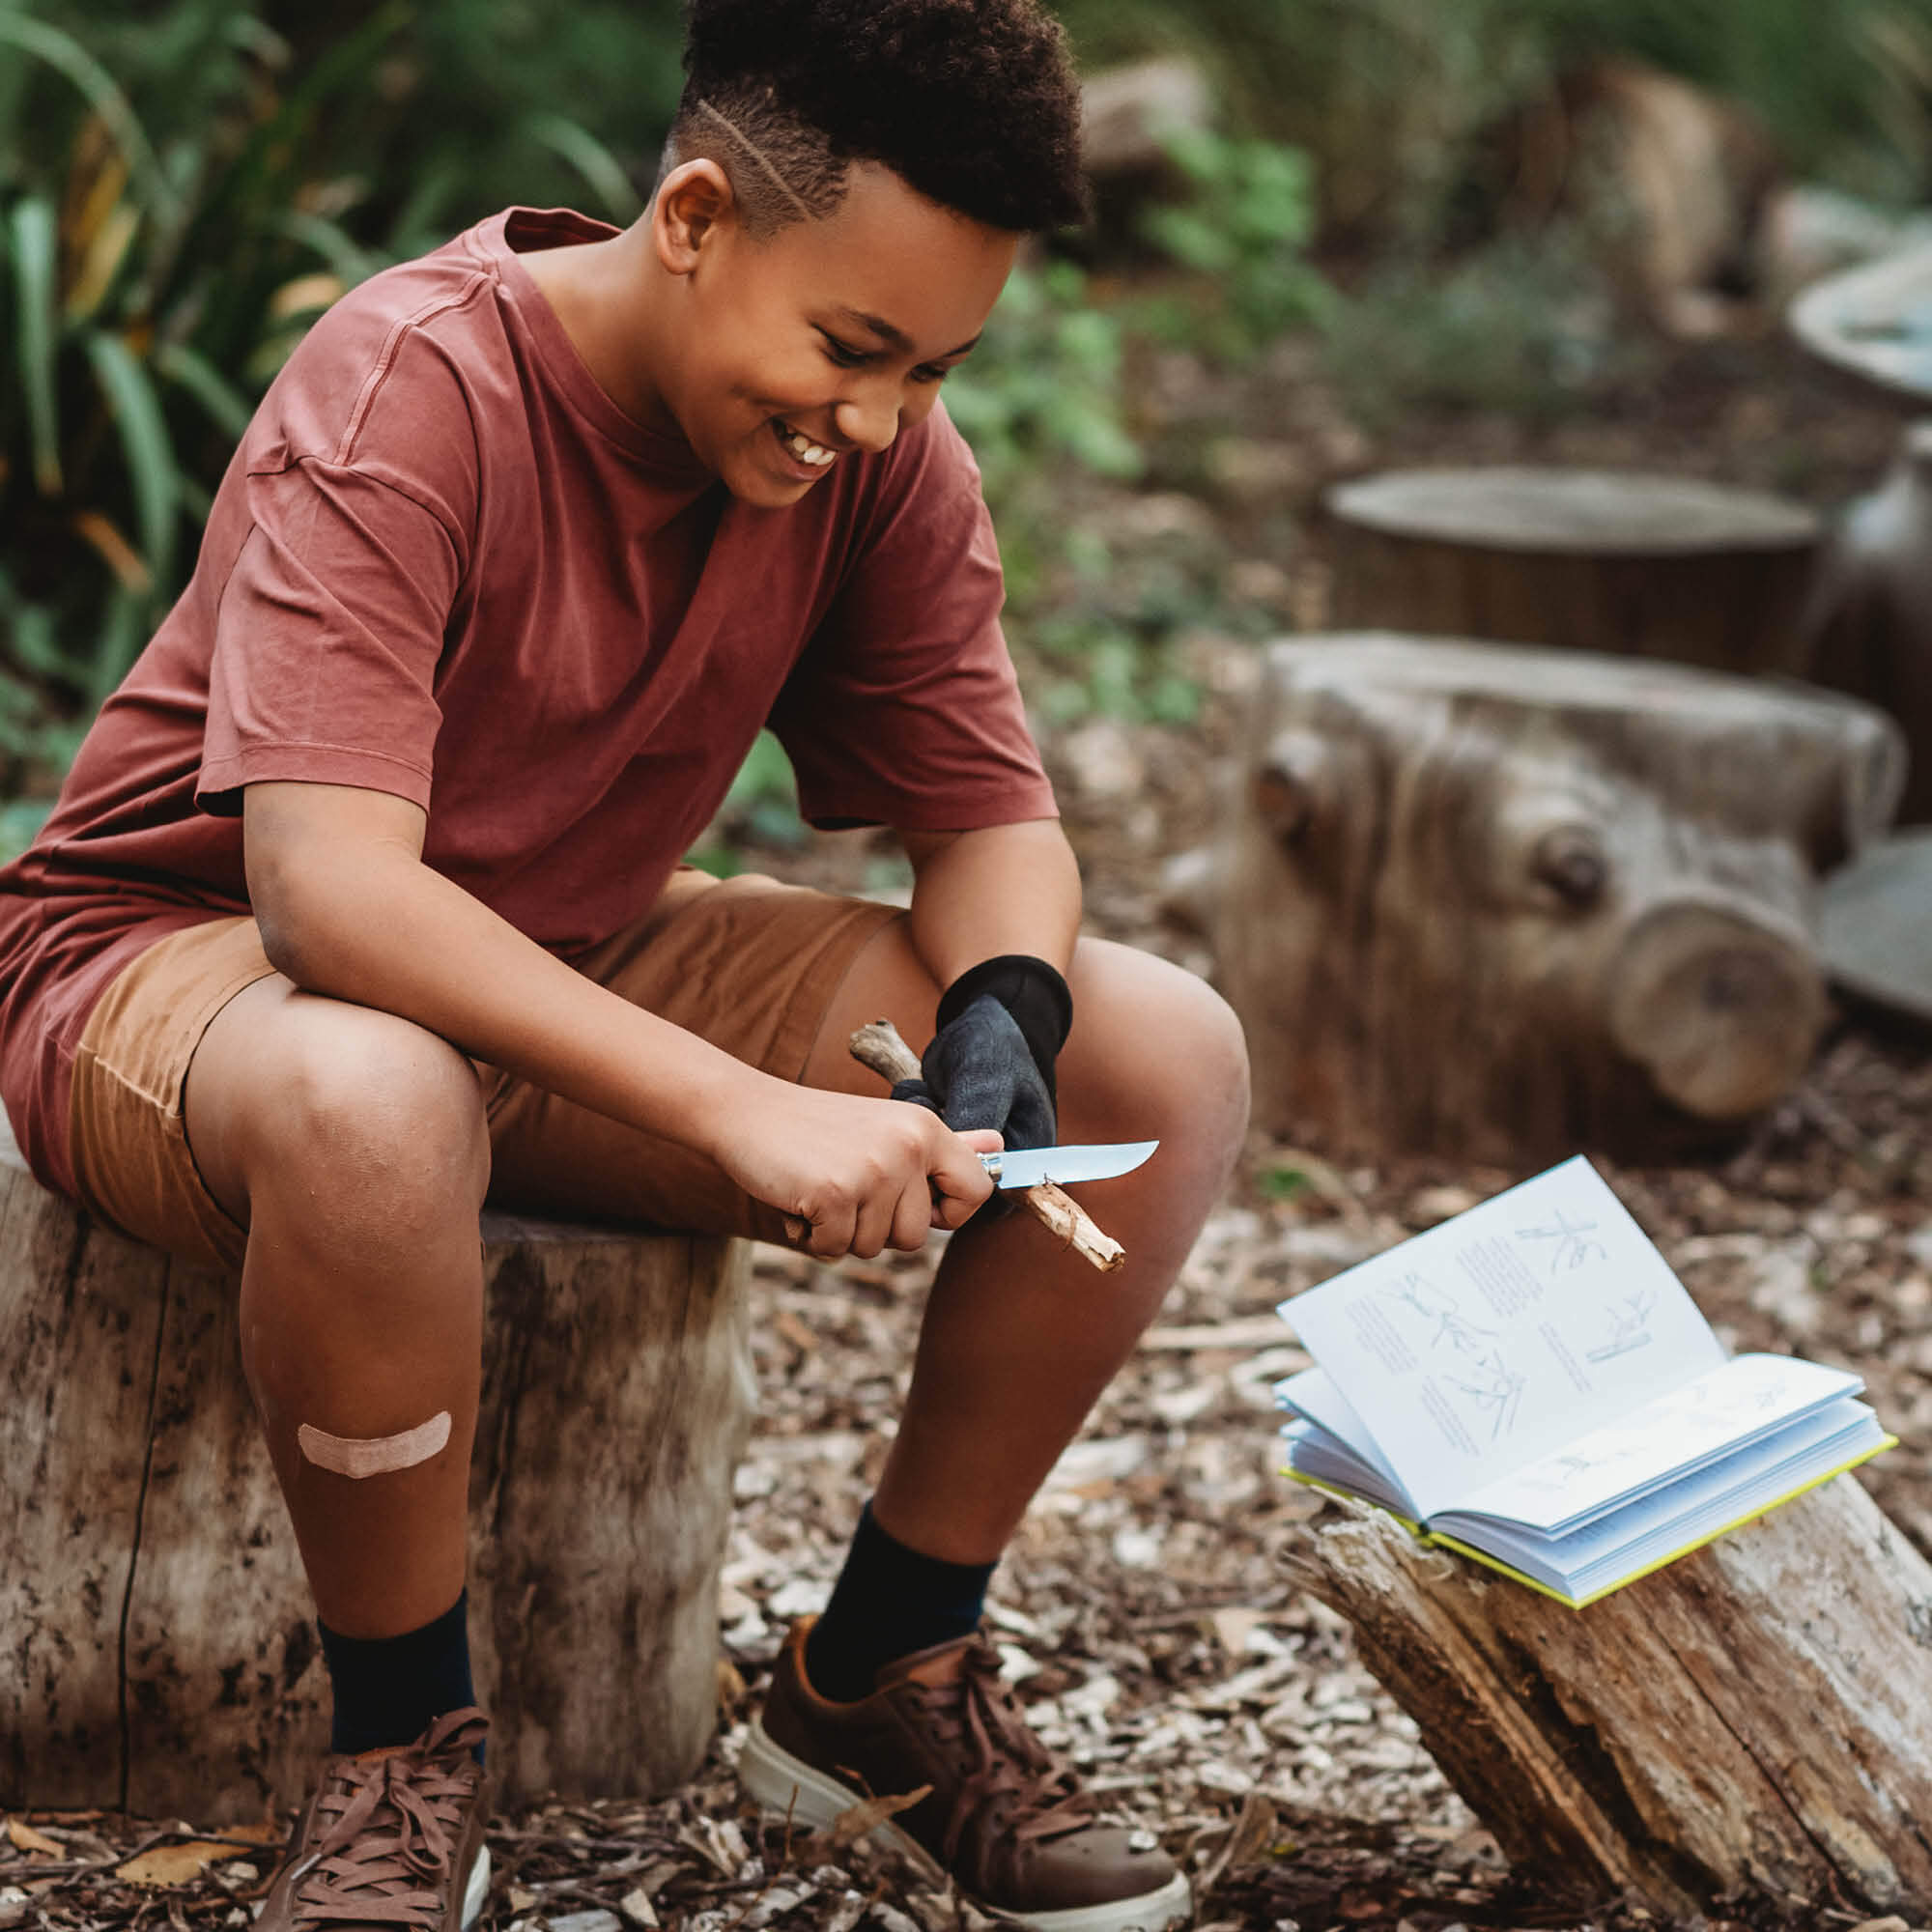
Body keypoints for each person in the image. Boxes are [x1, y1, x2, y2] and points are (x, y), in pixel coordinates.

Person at [0, 2, 1249, 1928]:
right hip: (189, 967)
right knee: (368, 1089)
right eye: (853, 348)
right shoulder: (408, 379)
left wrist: (1004, 1019)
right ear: (690, 217)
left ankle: (877, 1675)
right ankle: (403, 1755)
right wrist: (743, 1110)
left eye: (933, 369)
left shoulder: (877, 459)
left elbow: (995, 825)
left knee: (1154, 1051)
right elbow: (329, 898)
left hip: (561, 949)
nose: (882, 417)